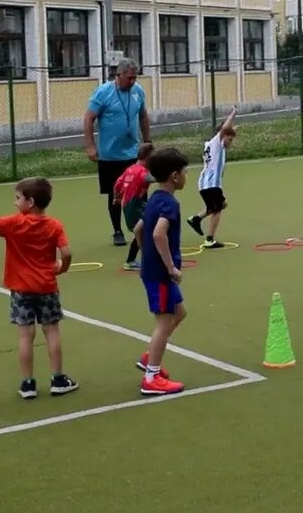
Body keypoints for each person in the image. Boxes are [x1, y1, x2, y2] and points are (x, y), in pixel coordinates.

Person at [0, 177, 78, 400]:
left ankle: (28, 384)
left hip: (21, 289)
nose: (15, 203)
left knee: (25, 335)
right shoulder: (54, 225)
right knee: (51, 331)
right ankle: (58, 379)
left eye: (17, 198)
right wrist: (61, 268)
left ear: (29, 202)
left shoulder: (15, 223)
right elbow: (67, 253)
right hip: (47, 286)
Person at [135, 147, 191, 396]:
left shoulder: (154, 200)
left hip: (151, 270)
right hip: (161, 274)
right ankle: (152, 377)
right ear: (174, 176)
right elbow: (158, 233)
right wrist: (170, 267)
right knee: (164, 320)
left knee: (179, 312)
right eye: (185, 172)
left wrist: (145, 254)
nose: (186, 176)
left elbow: (139, 229)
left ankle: (150, 358)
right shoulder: (169, 204)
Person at [84, 59, 151, 246]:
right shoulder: (103, 92)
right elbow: (89, 118)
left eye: (135, 78)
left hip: (134, 153)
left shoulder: (138, 91)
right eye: (129, 78)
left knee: (141, 190)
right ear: (118, 75)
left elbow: (143, 116)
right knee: (115, 193)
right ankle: (117, 230)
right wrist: (90, 146)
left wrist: (147, 142)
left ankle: (141, 226)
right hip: (110, 155)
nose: (132, 81)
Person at [187, 106, 237, 249]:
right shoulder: (217, 142)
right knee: (217, 209)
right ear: (223, 135)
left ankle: (196, 219)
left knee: (222, 204)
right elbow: (225, 129)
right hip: (211, 184)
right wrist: (233, 113)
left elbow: (227, 129)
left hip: (206, 184)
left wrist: (233, 128)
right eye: (230, 139)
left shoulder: (210, 144)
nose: (230, 143)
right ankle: (210, 239)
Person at [113, 142, 155, 271]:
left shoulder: (130, 169)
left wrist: (116, 198)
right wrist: (165, 176)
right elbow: (148, 178)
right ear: (147, 158)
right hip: (134, 205)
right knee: (143, 232)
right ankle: (133, 261)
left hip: (131, 204)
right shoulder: (142, 171)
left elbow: (117, 184)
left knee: (146, 229)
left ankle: (136, 260)